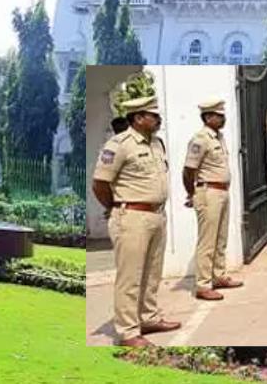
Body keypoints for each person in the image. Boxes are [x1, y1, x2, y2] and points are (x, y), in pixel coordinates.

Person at [91, 95, 180, 346]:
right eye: (153, 115)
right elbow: (100, 183)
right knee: (130, 276)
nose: (158, 119)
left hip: (156, 216)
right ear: (138, 118)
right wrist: (116, 207)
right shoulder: (119, 145)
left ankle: (148, 317)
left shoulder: (157, 144)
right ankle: (128, 331)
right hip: (131, 216)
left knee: (152, 273)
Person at [182, 98, 242, 302]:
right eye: (219, 115)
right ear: (208, 117)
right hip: (208, 192)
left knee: (221, 238)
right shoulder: (200, 139)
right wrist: (192, 193)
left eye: (223, 115)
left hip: (222, 192)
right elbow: (188, 170)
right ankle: (203, 285)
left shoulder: (219, 137)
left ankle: (219, 275)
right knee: (207, 240)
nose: (223, 118)